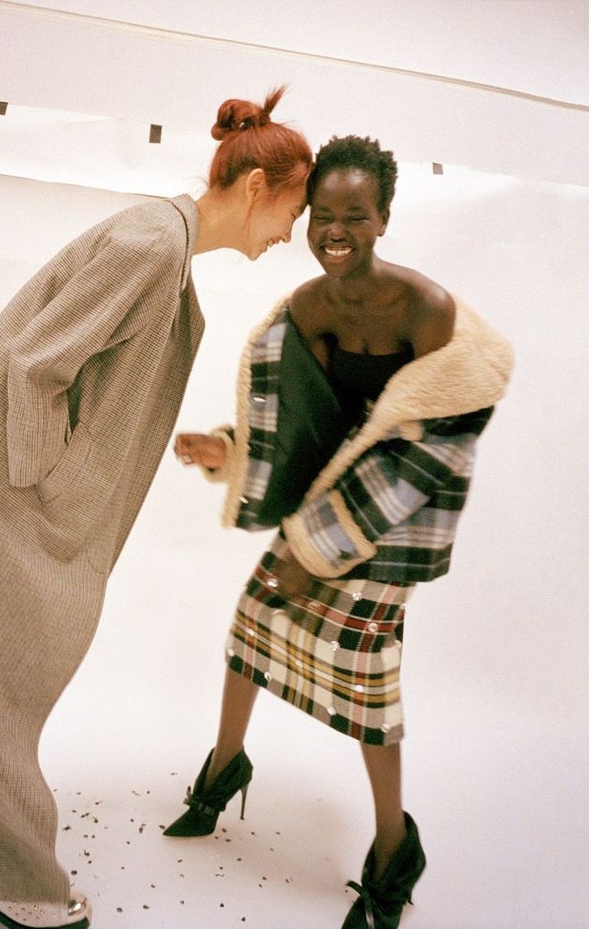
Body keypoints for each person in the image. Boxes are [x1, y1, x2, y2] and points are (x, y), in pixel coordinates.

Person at [0, 88, 312, 929]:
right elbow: (37, 364)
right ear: (257, 188)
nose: (291, 232)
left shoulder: (165, 245)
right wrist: (48, 492)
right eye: (293, 210)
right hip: (0, 462)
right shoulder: (151, 244)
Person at [166, 135, 513, 929]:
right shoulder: (309, 309)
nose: (335, 231)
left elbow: (425, 452)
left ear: (383, 219)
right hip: (332, 500)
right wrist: (230, 449)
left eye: (355, 216)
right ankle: (224, 766)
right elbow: (305, 430)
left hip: (400, 510)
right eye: (323, 215)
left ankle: (394, 847)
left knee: (364, 669)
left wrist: (316, 549)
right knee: (253, 622)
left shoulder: (426, 311)